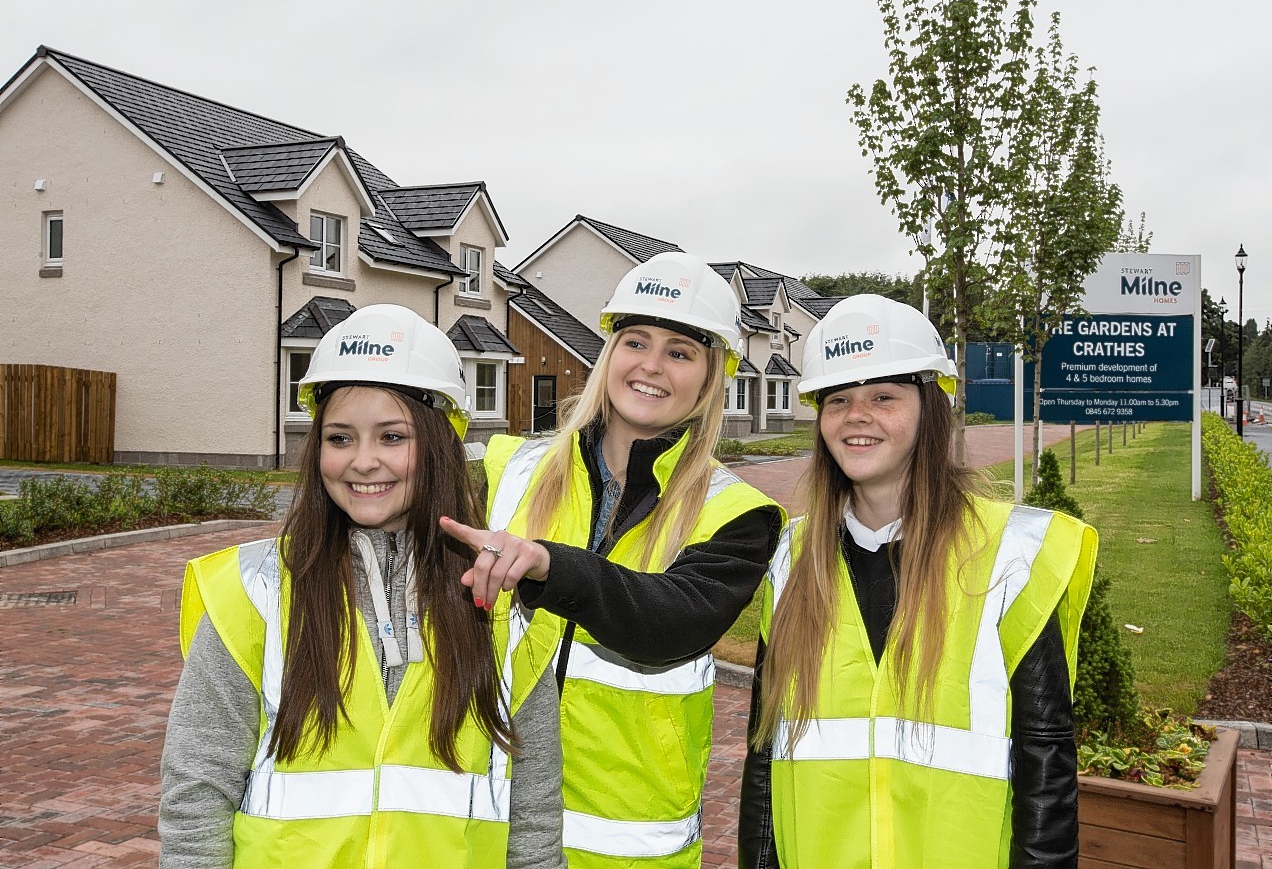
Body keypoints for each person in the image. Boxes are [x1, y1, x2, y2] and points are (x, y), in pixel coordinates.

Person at [159, 305, 564, 869]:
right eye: (340, 438)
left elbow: (535, 816)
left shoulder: (505, 605)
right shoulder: (251, 592)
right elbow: (196, 795)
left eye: (392, 436)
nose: (363, 462)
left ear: (441, 445)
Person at [439, 252, 786, 869]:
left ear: (711, 376)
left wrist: (551, 566)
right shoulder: (511, 469)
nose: (651, 366)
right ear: (609, 353)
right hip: (492, 819)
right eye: (636, 341)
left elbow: (667, 623)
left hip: (624, 840)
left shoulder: (738, 513)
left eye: (680, 352)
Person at [739, 294, 1097, 869]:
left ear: (930, 409)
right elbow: (765, 757)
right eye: (838, 399)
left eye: (883, 397)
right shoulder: (792, 557)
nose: (857, 416)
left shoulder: (1009, 555)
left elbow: (1046, 763)